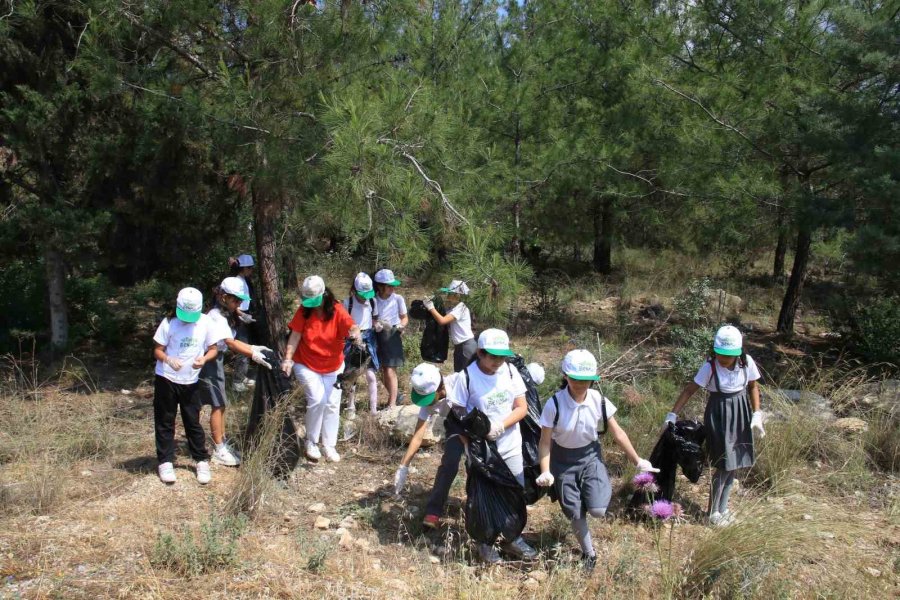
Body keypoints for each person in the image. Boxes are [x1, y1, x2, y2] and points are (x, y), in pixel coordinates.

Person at [535, 349, 658, 570]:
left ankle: (590, 493)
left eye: (586, 380)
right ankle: (589, 553)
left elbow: (618, 433)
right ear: (565, 376)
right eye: (575, 379)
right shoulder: (554, 404)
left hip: (590, 456)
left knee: (598, 510)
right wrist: (546, 470)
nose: (581, 384)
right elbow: (544, 442)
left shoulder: (599, 400)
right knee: (574, 512)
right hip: (562, 461)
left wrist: (637, 460)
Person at [448, 328, 538, 564]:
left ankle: (511, 538)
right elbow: (456, 418)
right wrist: (468, 448)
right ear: (479, 352)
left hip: (509, 446)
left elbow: (521, 407)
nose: (498, 362)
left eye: (502, 356)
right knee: (483, 498)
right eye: (492, 356)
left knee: (514, 495)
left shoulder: (510, 372)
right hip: (482, 452)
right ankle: (485, 543)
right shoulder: (466, 378)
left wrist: (499, 425)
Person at [664, 325, 764, 526]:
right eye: (720, 354)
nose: (723, 359)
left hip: (741, 412)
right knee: (723, 464)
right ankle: (712, 513)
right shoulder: (710, 367)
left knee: (734, 465)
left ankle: (723, 508)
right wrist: (672, 413)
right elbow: (689, 390)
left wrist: (757, 413)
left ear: (738, 353)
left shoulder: (746, 363)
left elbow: (753, 386)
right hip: (719, 416)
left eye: (728, 355)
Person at [281, 275, 362, 463]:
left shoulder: (337, 310)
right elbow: (295, 336)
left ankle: (329, 445)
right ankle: (311, 441)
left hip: (333, 365)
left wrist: (355, 334)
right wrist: (288, 358)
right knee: (317, 400)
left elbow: (353, 327)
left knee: (332, 404)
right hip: (306, 363)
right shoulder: (304, 311)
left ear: (324, 294)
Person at [196, 277, 275, 466]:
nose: (238, 304)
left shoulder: (226, 315)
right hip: (210, 361)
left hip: (217, 359)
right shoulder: (216, 315)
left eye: (240, 301)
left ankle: (222, 442)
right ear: (223, 297)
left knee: (221, 403)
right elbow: (231, 344)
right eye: (236, 300)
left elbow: (233, 341)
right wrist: (252, 355)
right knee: (217, 403)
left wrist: (254, 348)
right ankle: (219, 449)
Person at [152, 287, 224, 484]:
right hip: (166, 378)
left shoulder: (206, 322)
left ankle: (201, 460)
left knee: (192, 420)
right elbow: (158, 350)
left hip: (191, 380)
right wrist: (168, 359)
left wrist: (204, 359)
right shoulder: (169, 322)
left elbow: (213, 349)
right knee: (165, 419)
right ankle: (165, 461)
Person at [392, 363, 462, 527]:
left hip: (475, 422)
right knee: (449, 464)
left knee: (477, 466)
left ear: (439, 388)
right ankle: (433, 512)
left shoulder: (460, 383)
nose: (427, 403)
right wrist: (403, 466)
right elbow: (418, 436)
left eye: (429, 398)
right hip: (454, 425)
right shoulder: (429, 402)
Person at [343, 272, 380, 415]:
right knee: (352, 375)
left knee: (371, 375)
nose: (365, 297)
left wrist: (377, 325)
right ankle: (351, 406)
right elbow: (342, 324)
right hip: (352, 341)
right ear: (355, 290)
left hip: (369, 339)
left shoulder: (372, 301)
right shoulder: (348, 303)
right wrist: (350, 334)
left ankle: (373, 409)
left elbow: (375, 318)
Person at [373, 268, 408, 408]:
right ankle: (395, 395)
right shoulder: (374, 299)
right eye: (389, 285)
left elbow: (405, 318)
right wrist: (376, 324)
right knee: (381, 369)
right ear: (380, 286)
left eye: (393, 285)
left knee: (390, 369)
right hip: (377, 334)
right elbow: (372, 318)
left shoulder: (398, 299)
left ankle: (392, 403)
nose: (392, 288)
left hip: (392, 334)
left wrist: (401, 326)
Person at [424, 279, 476, 371]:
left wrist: (431, 307)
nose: (448, 296)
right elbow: (440, 315)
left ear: (458, 295)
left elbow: (442, 320)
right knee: (458, 375)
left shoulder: (461, 307)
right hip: (459, 346)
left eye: (450, 294)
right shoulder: (454, 308)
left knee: (466, 376)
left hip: (466, 346)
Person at [229, 254, 257, 393]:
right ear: (244, 268)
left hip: (244, 317)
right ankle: (237, 381)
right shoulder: (237, 282)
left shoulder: (244, 280)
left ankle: (242, 375)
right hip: (239, 319)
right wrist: (243, 315)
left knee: (247, 347)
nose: (252, 271)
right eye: (250, 268)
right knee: (242, 350)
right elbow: (235, 304)